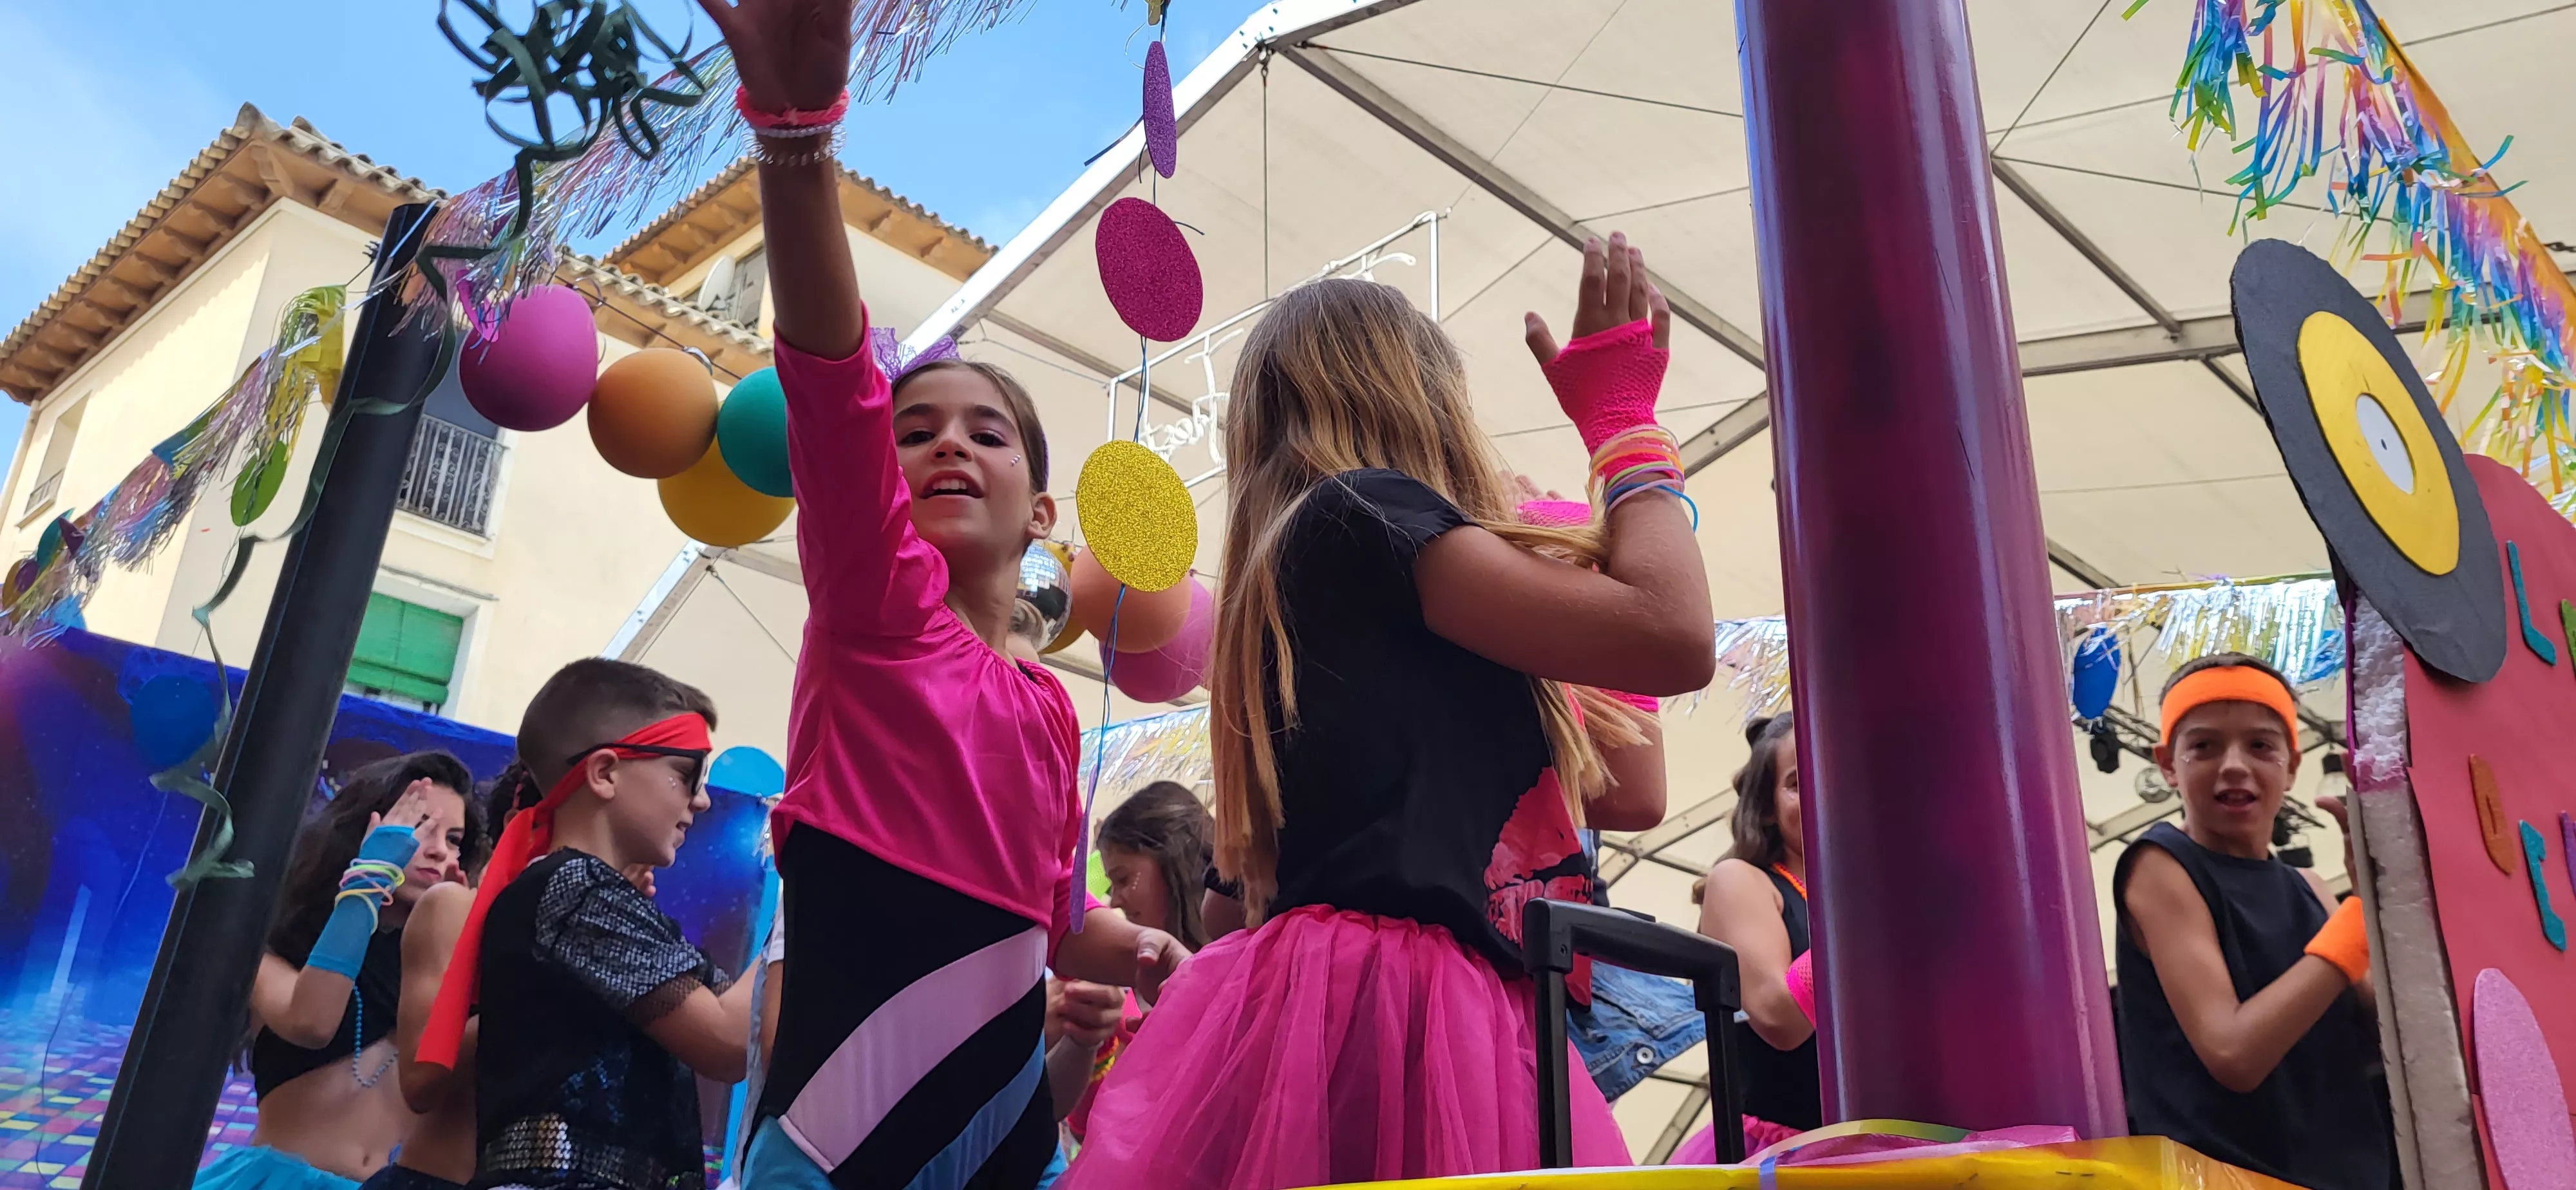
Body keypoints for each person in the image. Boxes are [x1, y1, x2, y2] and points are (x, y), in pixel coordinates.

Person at [1063, 231, 1712, 1188]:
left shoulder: (1324, 573)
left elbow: (1628, 784)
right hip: (1399, 1002)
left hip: (1390, 999)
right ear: (1416, 397)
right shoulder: (1358, 515)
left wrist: (1572, 550)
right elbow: (1673, 633)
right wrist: (1625, 430)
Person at [696, 4, 1190, 1185]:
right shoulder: (878, 615)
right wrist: (797, 136)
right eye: (913, 432)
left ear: (1041, 515)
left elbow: (1060, 919)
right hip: (836, 1145)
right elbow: (828, 378)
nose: (946, 447)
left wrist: (1163, 952)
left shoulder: (1052, 712)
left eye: (987, 433)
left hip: (1008, 1144)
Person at [413, 657, 756, 1189]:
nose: (703, 800)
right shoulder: (572, 887)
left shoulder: (592, 894)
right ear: (604, 773)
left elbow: (744, 1022)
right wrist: (806, 889)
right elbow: (731, 1041)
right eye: (686, 775)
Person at [2114, 652, 2394, 1190]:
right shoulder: (2160, 865)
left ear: (2291, 765)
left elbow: (2389, 1030)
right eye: (2204, 746)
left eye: (2260, 745)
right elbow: (2234, 1053)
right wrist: (2362, 913)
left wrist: (2389, 901)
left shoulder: (2309, 888)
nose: (2235, 764)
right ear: (2168, 764)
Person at [195, 753, 484, 1190]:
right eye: (420, 824)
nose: (440, 848)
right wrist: (368, 882)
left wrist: (459, 942)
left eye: (455, 837)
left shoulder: (440, 966)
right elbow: (311, 1022)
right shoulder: (281, 947)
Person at [1671, 713, 1817, 1162]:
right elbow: (1780, 1018)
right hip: (1781, 1160)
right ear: (1768, 807)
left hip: (1892, 1147)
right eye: (1798, 781)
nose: (1824, 790)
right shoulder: (1740, 881)